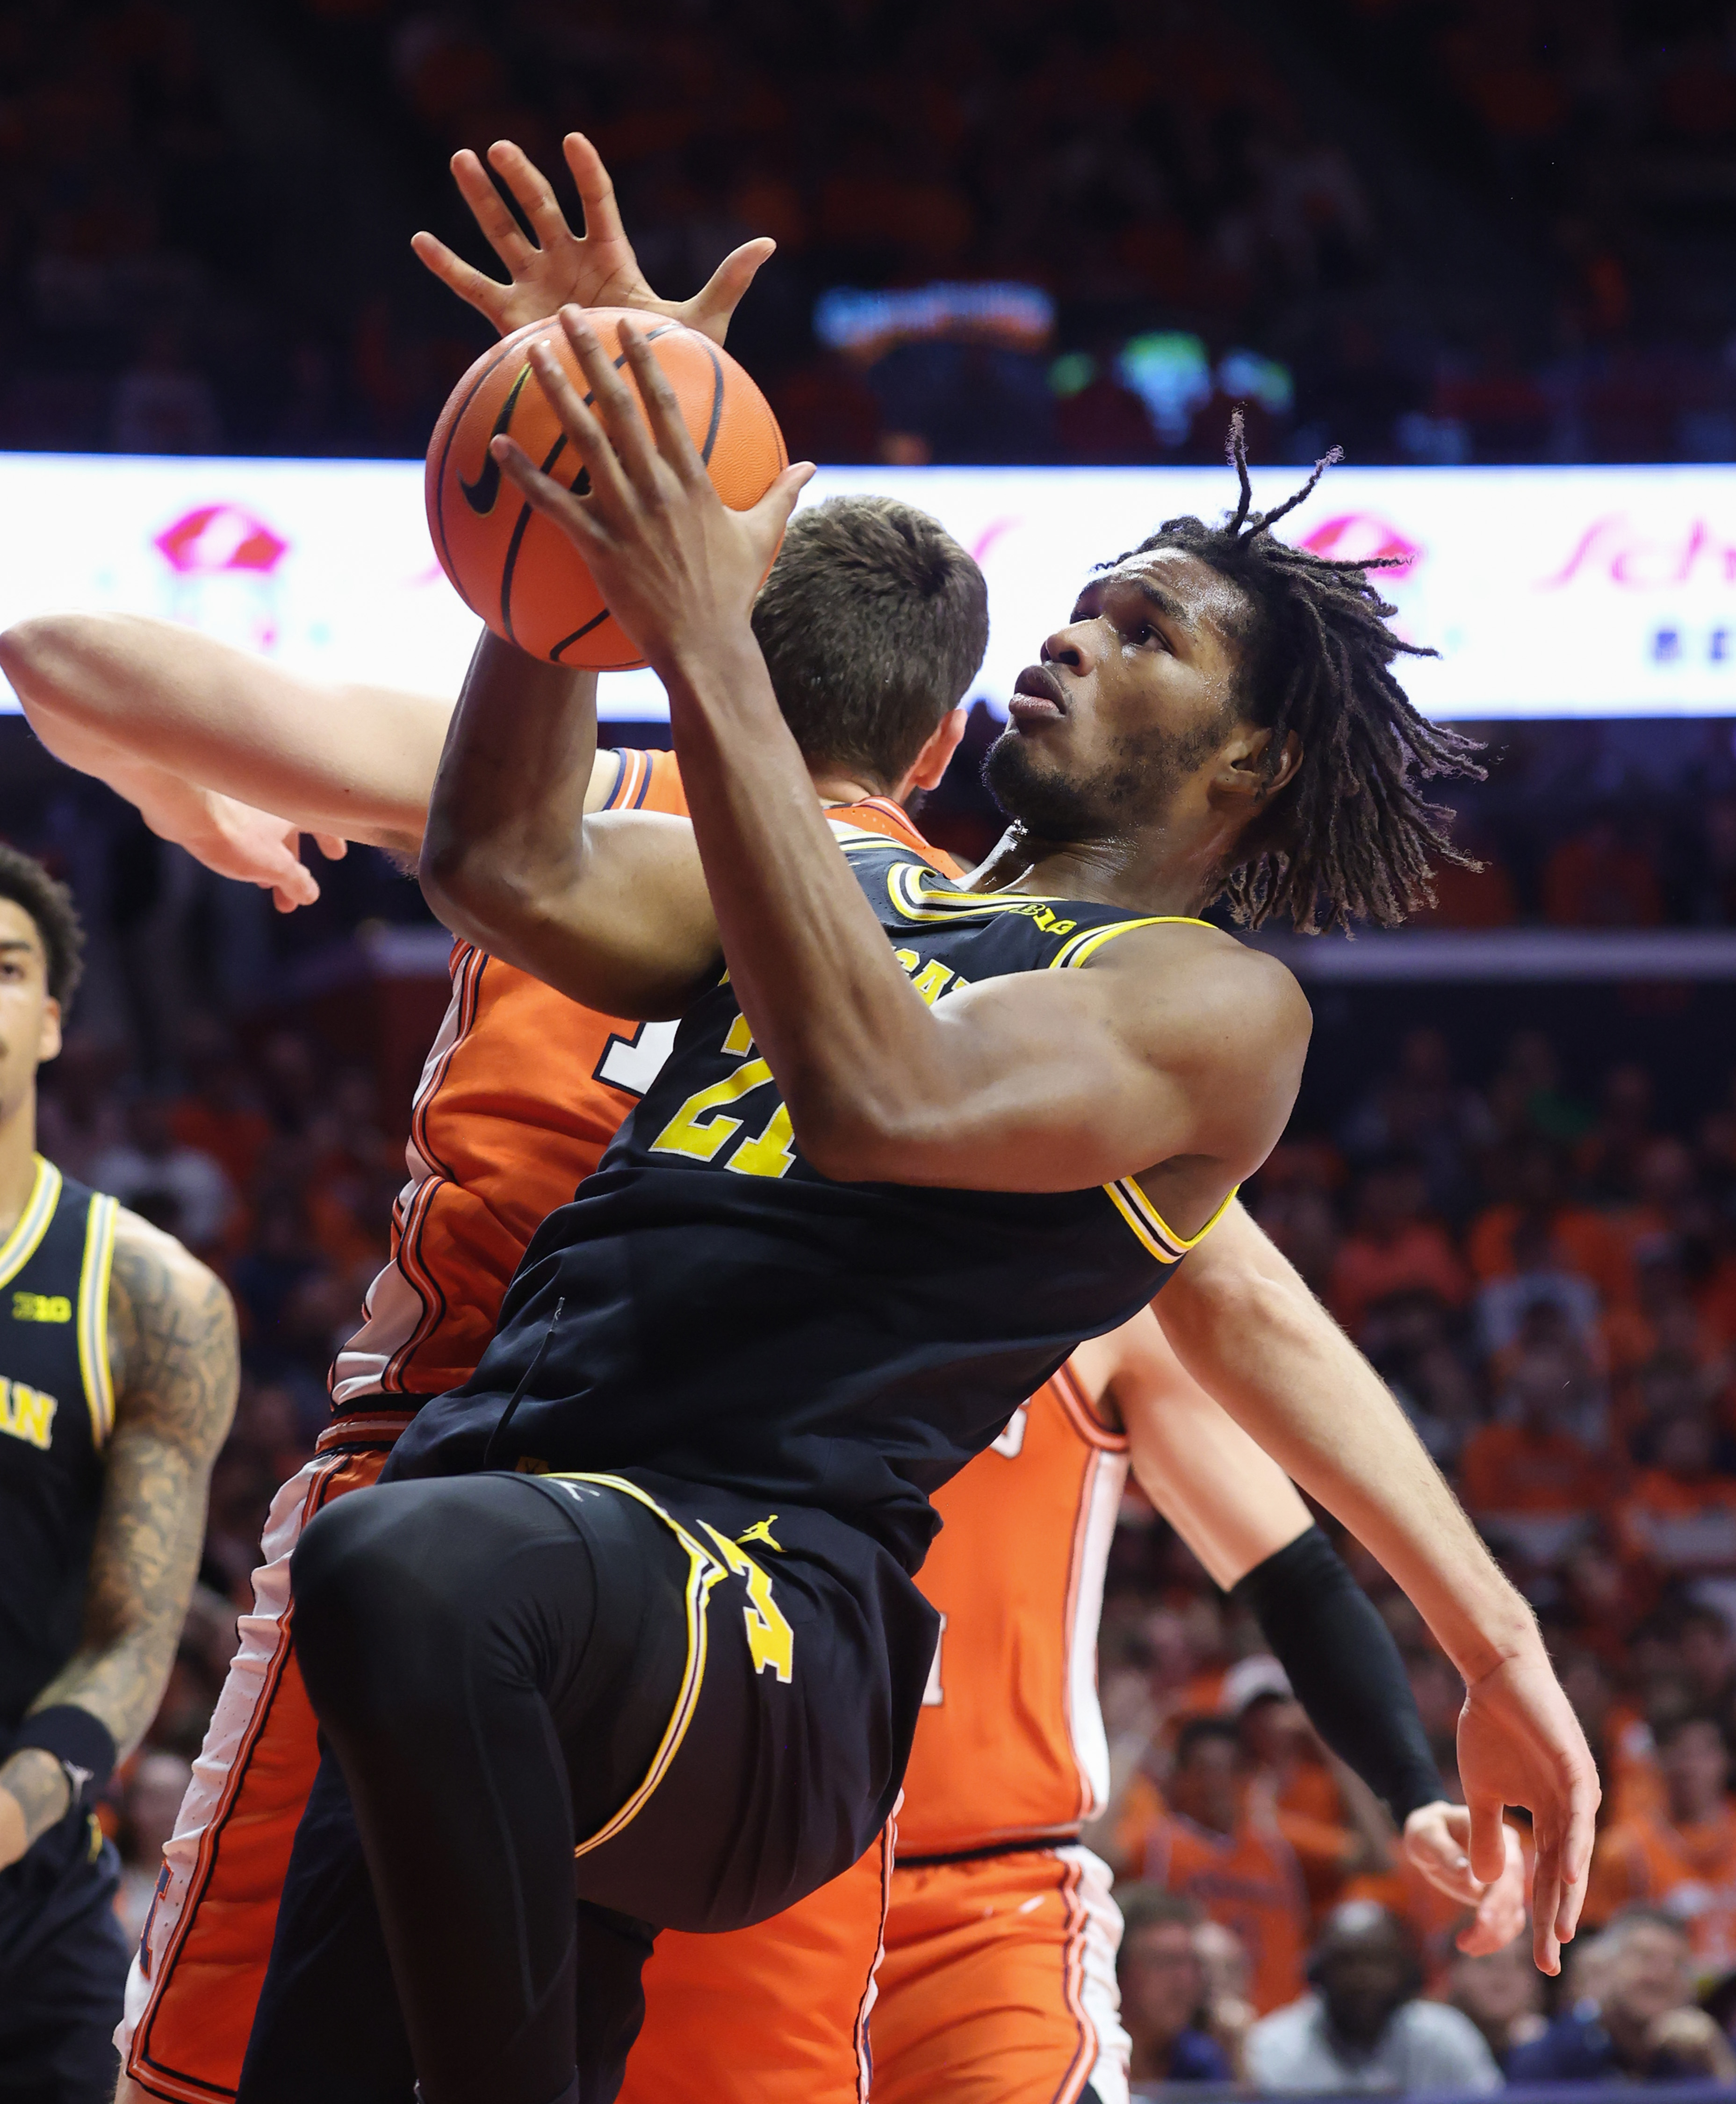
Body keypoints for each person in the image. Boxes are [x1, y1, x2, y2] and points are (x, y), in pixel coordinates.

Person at [3, 136, 1534, 2104]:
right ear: (920, 725)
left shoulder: (1193, 1001)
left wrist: (1486, 1651)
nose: (1073, 636)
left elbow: (902, 1102)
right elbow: (500, 854)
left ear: (1248, 754)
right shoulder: (800, 872)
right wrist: (569, 509)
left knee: (406, 1563)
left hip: (744, 1588)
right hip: (507, 1517)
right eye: (1076, 607)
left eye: (1139, 630)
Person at [0, 846, 238, 2104]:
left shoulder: (151, 1297)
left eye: (3, 969)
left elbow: (134, 1636)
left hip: (30, 1899)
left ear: (51, 1021)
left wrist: (12, 1804)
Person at [1245, 1900, 1502, 2093]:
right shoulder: (1274, 2047)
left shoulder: (1446, 2037)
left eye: (1379, 1962)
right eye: (1347, 1962)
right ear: (1316, 1971)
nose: (1364, 1979)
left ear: (1408, 1971)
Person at [1506, 1907, 1736, 2083]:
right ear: (1604, 1969)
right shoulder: (1548, 2057)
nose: (1659, 1976)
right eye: (1644, 1957)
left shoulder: (1707, 2053)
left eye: (1676, 1965)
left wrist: (1717, 2060)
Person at [1586, 1712, 1736, 1972]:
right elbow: (1600, 1948)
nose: (1689, 1766)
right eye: (1677, 1751)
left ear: (1726, 1760)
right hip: (1661, 1991)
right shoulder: (1624, 1849)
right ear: (1656, 1760)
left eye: (1702, 1753)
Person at [1114, 1887, 1232, 2085]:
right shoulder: (1083, 2060)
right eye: (1165, 1962)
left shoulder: (1202, 2061)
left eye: (1192, 1963)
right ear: (1118, 1970)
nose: (1185, 1980)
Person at [1449, 1938, 1547, 2068]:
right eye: (1486, 1960)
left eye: (1518, 1962)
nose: (1502, 1976)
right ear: (1456, 1971)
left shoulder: (1559, 2049)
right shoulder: (1433, 2041)